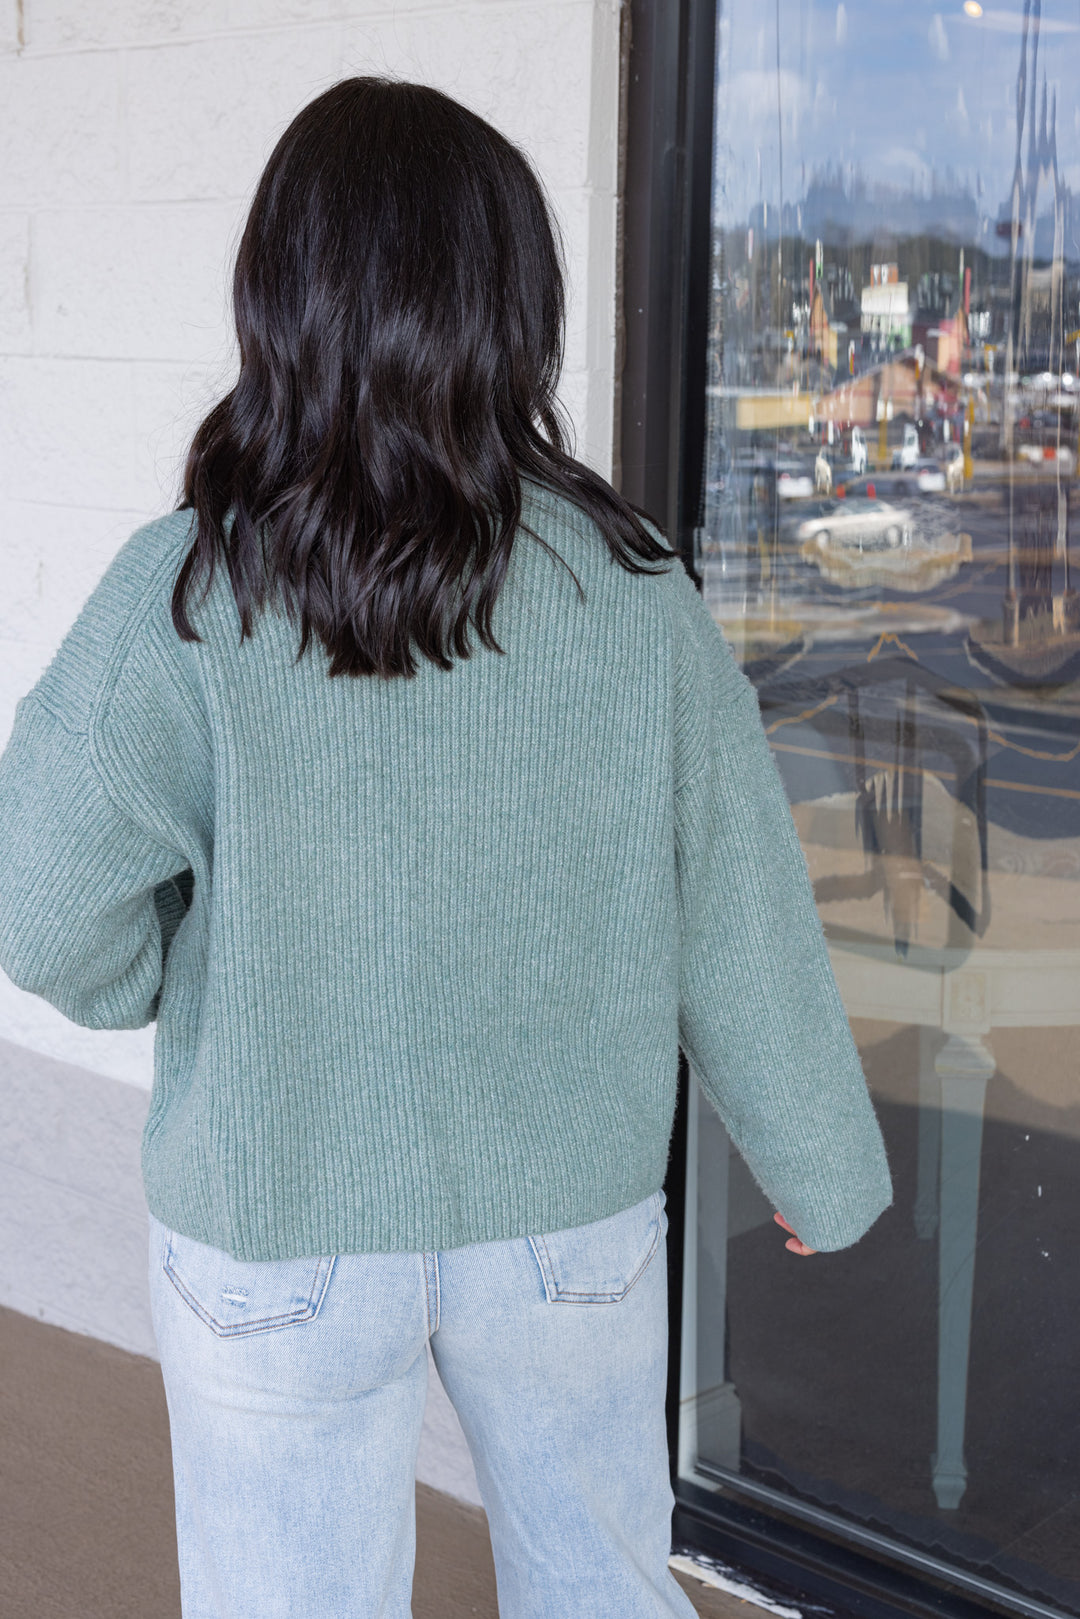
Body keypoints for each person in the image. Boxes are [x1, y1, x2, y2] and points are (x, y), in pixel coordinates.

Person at [0, 77, 892, 1619]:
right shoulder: (634, 590)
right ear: (517, 310)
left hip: (274, 1212)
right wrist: (818, 1158)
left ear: (278, 299)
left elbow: (36, 898)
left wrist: (175, 981)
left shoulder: (189, 593)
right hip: (568, 1226)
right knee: (602, 1586)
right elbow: (737, 903)